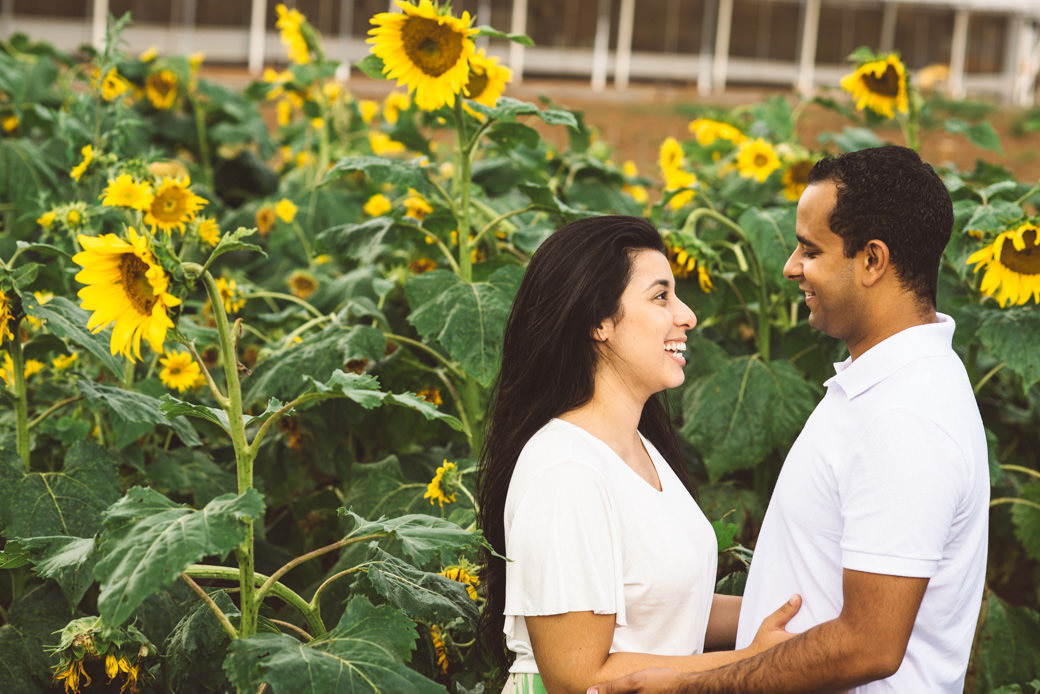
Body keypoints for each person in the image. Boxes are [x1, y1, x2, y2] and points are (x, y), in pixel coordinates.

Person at [589, 146, 989, 694]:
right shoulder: (882, 387)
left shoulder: (905, 416)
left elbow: (869, 644)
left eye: (810, 250)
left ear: (873, 260)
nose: (791, 267)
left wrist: (690, 687)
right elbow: (812, 595)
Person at [476, 216, 801, 694]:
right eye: (660, 296)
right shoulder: (566, 469)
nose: (686, 315)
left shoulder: (639, 447)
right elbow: (577, 676)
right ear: (599, 322)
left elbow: (669, 606)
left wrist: (808, 615)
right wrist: (750, 665)